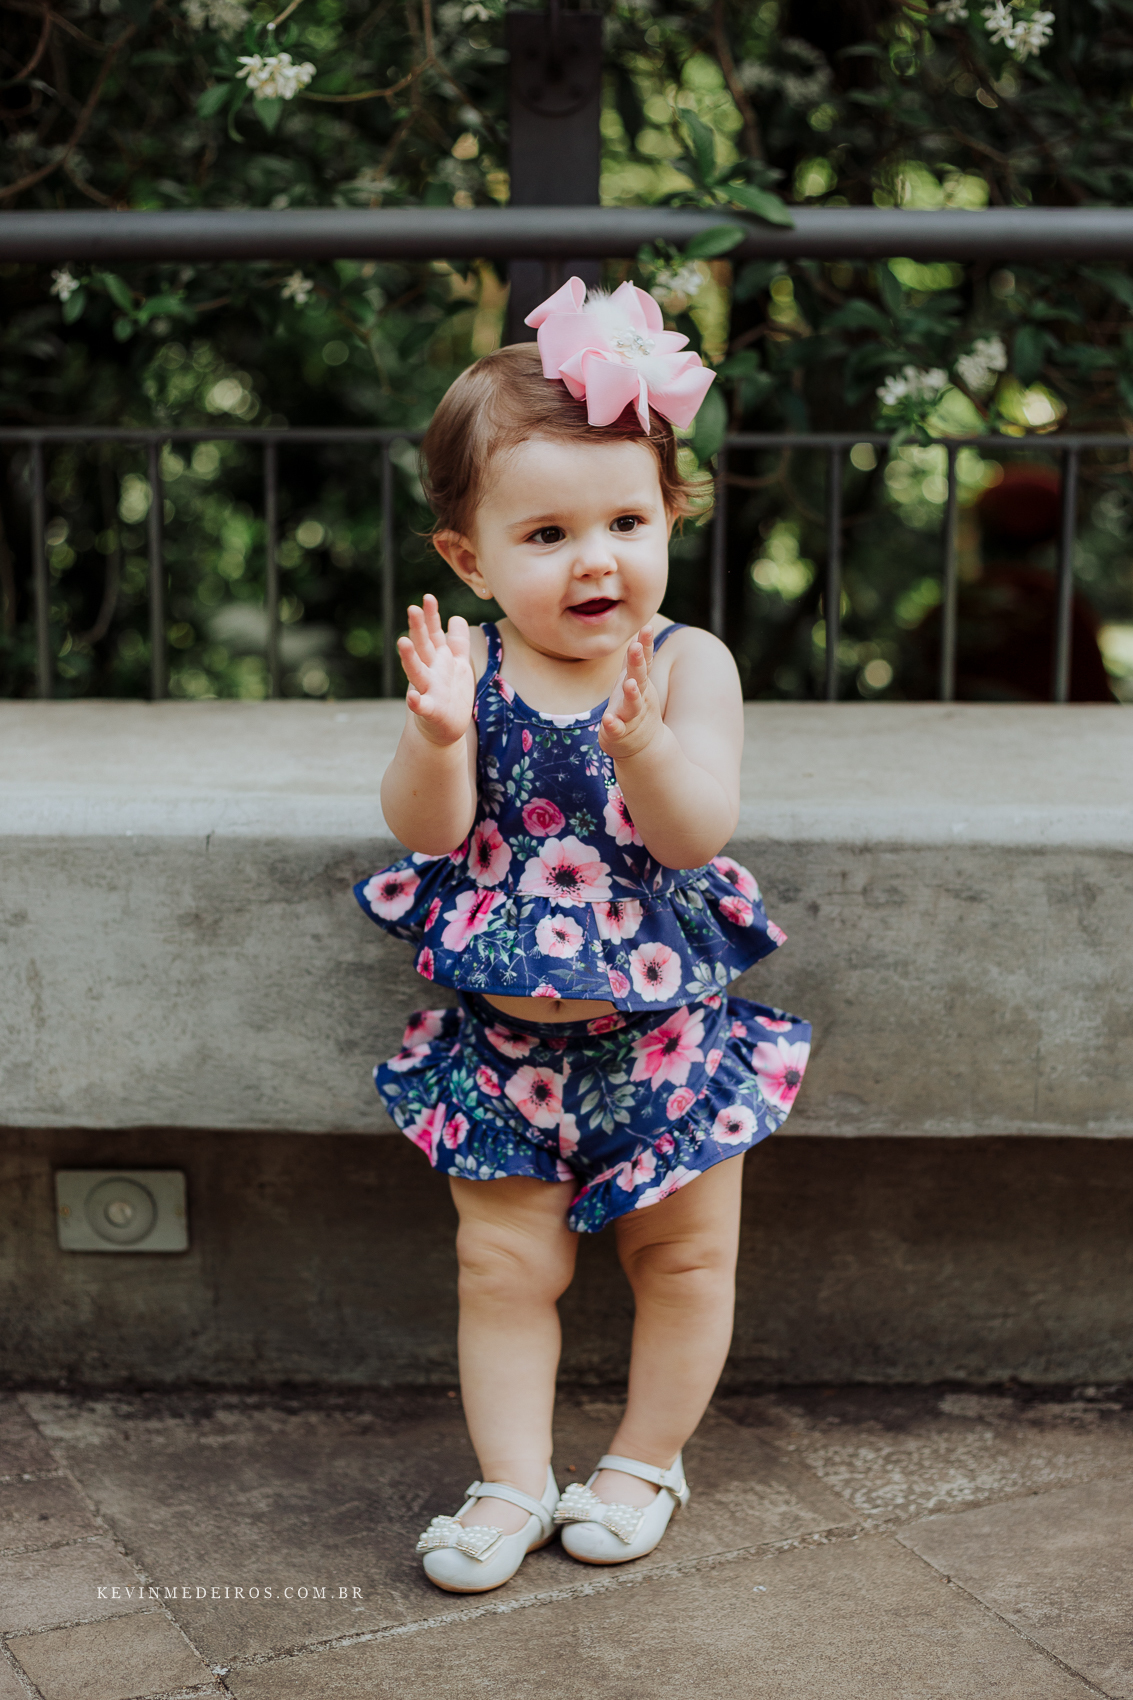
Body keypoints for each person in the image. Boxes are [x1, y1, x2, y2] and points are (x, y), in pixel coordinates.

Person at [354, 278, 811, 1594]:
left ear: (671, 516)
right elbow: (428, 834)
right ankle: (508, 1478)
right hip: (506, 1049)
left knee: (684, 1254)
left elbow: (691, 833)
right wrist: (433, 737)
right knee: (499, 1266)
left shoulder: (685, 665)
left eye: (624, 520)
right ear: (468, 559)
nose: (594, 558)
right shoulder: (472, 674)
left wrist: (646, 743)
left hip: (666, 1040)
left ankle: (642, 1457)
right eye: (546, 533)